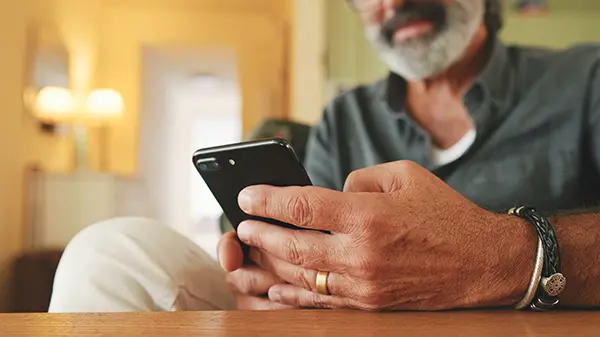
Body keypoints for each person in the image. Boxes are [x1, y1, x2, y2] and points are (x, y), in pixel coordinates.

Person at [49, 0, 600, 312]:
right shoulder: (346, 117)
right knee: (106, 253)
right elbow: (313, 268)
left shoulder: (585, 81)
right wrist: (274, 278)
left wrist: (504, 254)